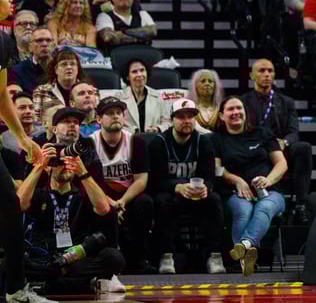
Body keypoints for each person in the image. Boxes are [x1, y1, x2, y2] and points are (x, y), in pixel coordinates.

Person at [17, 108, 124, 297]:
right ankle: (75, 282)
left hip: (76, 254)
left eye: (76, 122)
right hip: (44, 253)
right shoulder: (41, 191)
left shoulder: (81, 188)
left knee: (113, 257)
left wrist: (82, 171)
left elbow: (103, 208)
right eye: (58, 162)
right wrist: (41, 165)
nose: (63, 165)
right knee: (12, 260)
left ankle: (55, 282)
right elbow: (19, 204)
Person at [213, 96, 288, 276]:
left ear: (245, 113)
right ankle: (246, 257)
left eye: (239, 108)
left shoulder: (262, 134)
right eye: (230, 109)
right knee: (243, 211)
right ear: (222, 116)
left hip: (270, 191)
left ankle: (244, 247)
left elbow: (281, 164)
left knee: (265, 207)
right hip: (236, 192)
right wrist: (236, 180)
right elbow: (216, 169)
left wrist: (269, 180)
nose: (236, 112)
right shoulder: (215, 139)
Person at [150, 99, 226, 275]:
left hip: (195, 194)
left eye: (191, 117)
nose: (187, 121)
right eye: (181, 117)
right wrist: (177, 187)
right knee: (162, 202)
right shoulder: (159, 142)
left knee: (214, 200)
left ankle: (214, 256)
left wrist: (206, 187)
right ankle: (166, 256)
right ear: (172, 120)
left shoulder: (204, 141)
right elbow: (154, 180)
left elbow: (209, 176)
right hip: (171, 194)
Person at [240, 59, 314, 225]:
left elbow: (294, 132)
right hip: (255, 147)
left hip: (280, 148)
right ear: (252, 75)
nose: (266, 74)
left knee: (303, 147)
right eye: (261, 71)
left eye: (270, 71)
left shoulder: (286, 102)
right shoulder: (243, 101)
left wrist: (285, 143)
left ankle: (301, 204)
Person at [88, 96, 156, 274]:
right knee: (91, 205)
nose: (116, 116)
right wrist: (109, 201)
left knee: (146, 203)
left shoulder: (136, 142)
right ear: (98, 119)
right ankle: (103, 259)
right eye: (110, 113)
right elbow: (89, 181)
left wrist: (122, 202)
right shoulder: (89, 143)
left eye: (119, 113)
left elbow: (141, 180)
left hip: (128, 196)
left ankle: (139, 259)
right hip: (101, 196)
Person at [117, 60, 170, 134]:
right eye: (134, 72)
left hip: (153, 140)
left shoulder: (158, 96)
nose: (139, 74)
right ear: (127, 77)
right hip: (129, 140)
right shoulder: (119, 97)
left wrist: (158, 129)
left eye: (142, 70)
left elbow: (167, 122)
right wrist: (132, 131)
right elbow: (116, 124)